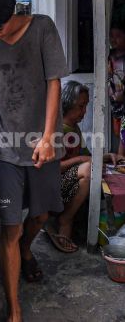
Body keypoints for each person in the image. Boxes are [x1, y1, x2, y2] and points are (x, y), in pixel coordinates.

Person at [0, 0, 69, 322]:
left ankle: (28, 248)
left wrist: (48, 136)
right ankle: (14, 310)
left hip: (44, 146)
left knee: (41, 215)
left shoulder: (42, 28)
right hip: (7, 149)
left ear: (12, 11)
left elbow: (55, 81)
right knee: (9, 227)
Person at [47, 81, 125, 252]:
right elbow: (53, 168)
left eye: (85, 106)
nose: (84, 112)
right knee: (88, 170)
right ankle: (65, 220)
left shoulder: (74, 128)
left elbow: (86, 155)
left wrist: (105, 157)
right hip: (52, 188)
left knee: (89, 173)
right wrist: (81, 160)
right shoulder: (56, 129)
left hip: (69, 183)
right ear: (67, 104)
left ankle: (67, 221)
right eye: (80, 107)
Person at [108, 23, 125, 156]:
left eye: (118, 36)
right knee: (118, 133)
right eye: (111, 36)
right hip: (116, 102)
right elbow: (109, 77)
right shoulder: (109, 57)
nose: (114, 39)